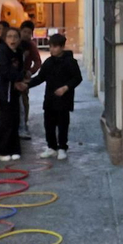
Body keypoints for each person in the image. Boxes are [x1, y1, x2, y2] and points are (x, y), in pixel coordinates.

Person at [29, 32, 83, 161]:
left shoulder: (70, 62)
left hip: (64, 100)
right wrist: (26, 85)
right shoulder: (48, 62)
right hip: (50, 99)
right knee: (49, 124)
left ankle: (62, 147)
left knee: (63, 124)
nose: (52, 49)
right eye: (50, 47)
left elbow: (77, 78)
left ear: (62, 47)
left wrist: (65, 88)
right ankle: (51, 147)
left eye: (55, 47)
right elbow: (40, 78)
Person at [0, 26, 29, 161]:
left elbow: (21, 69)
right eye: (9, 36)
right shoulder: (1, 52)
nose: (13, 39)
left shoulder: (18, 52)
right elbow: (5, 71)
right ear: (4, 39)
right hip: (2, 92)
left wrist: (22, 78)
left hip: (13, 91)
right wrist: (18, 80)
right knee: (5, 121)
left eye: (16, 37)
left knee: (15, 120)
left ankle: (14, 149)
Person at [16, 20, 41, 141]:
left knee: (24, 102)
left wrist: (30, 72)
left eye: (29, 32)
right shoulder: (14, 43)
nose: (26, 34)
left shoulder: (31, 46)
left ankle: (23, 125)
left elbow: (37, 61)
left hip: (23, 78)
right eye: (24, 31)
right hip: (12, 77)